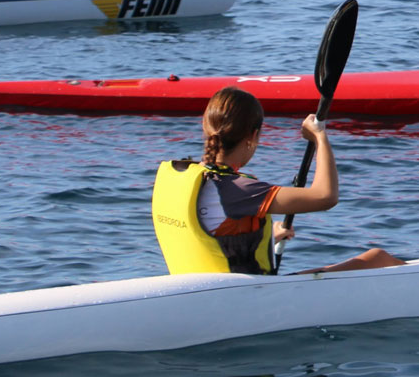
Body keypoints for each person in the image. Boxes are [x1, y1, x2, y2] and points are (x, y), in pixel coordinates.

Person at [152, 86, 404, 276]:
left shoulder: (185, 177)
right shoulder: (238, 189)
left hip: (199, 291)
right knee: (378, 257)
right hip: (249, 298)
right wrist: (320, 138)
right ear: (253, 135)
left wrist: (266, 236)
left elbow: (209, 231)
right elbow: (326, 196)